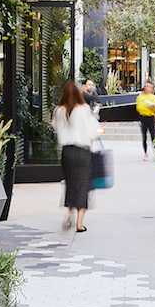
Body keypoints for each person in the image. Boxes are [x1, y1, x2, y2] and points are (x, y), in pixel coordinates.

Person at [52, 81, 99, 233]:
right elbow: (93, 131)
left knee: (70, 183)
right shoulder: (84, 109)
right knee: (83, 185)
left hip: (66, 152)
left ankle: (67, 214)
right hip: (82, 151)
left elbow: (55, 128)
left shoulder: (59, 110)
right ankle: (79, 223)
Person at [135, 80, 155, 161]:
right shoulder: (140, 97)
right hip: (143, 118)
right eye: (147, 86)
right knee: (144, 136)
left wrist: (153, 107)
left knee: (153, 136)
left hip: (151, 118)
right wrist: (148, 106)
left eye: (150, 87)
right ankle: (145, 153)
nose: (148, 88)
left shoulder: (154, 98)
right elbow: (139, 107)